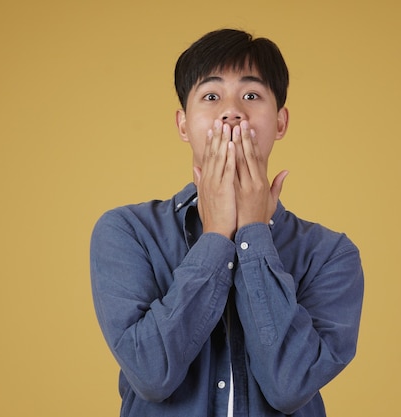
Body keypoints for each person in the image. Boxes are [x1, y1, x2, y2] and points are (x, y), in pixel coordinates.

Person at [90, 28, 364, 417]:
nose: (232, 111)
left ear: (281, 122)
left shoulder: (330, 254)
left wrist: (254, 234)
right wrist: (217, 236)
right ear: (183, 124)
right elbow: (151, 374)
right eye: (211, 96)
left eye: (251, 96)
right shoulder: (127, 232)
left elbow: (290, 386)